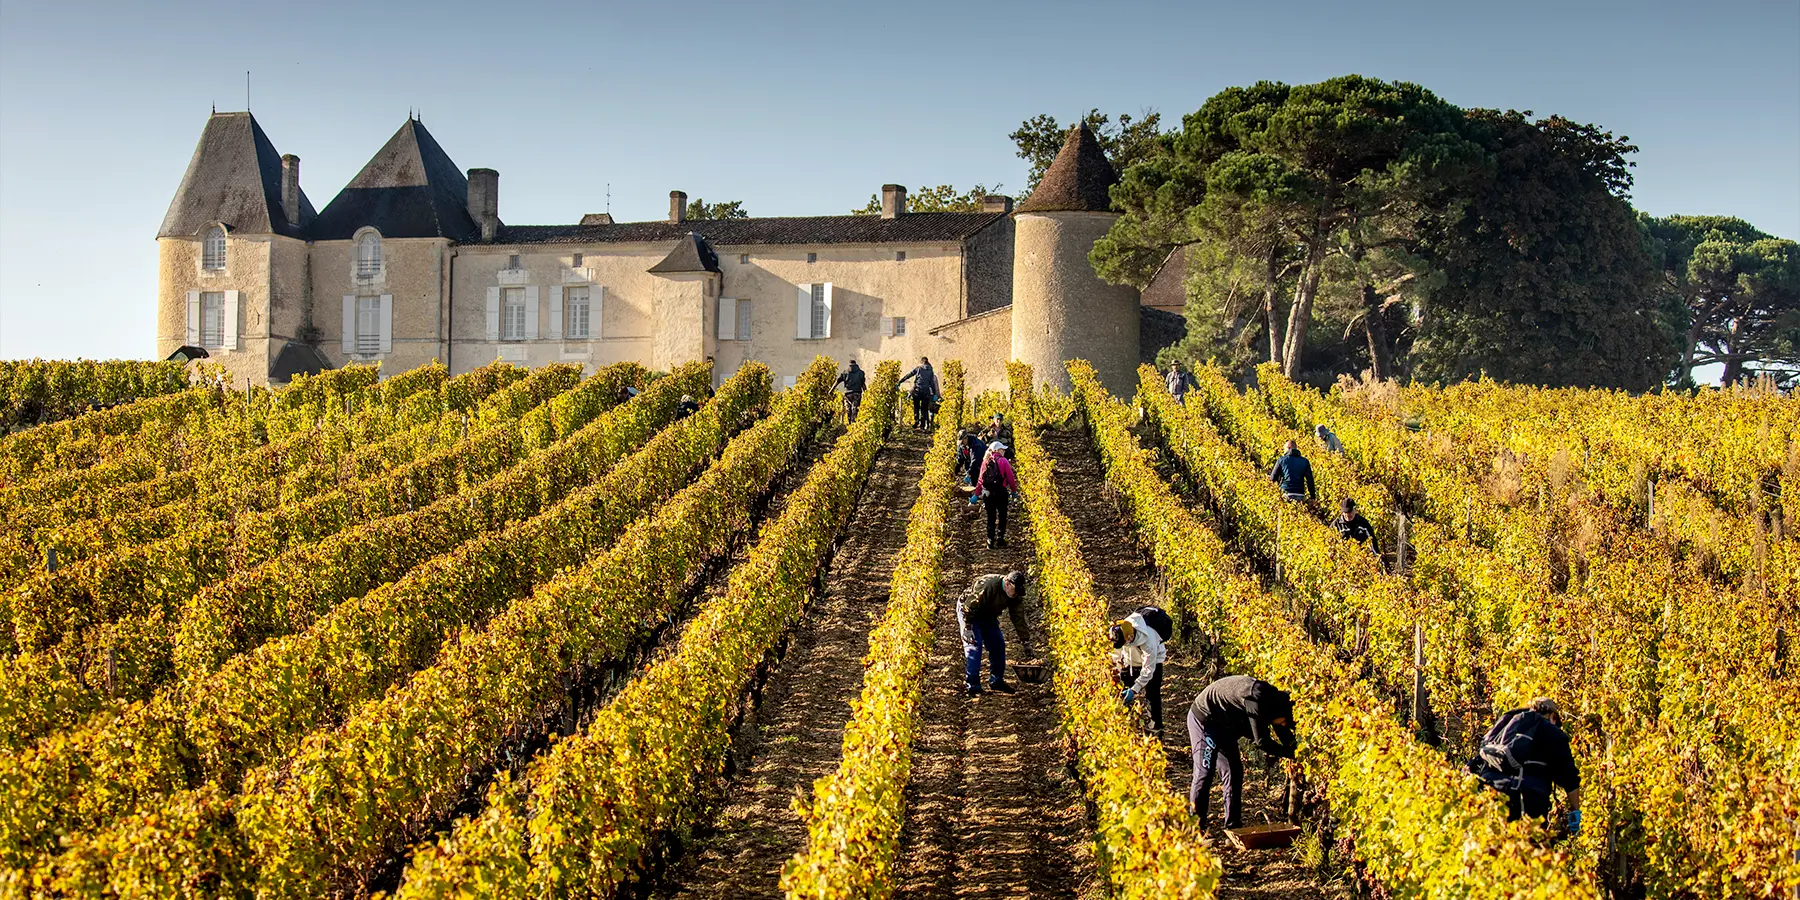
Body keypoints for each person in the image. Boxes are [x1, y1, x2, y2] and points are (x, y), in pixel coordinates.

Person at [1188, 675, 1296, 829]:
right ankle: (1195, 830)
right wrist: (1292, 754)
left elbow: (1285, 735)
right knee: (1204, 772)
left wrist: (1298, 751)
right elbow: (1262, 742)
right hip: (1205, 720)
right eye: (1285, 721)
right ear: (1280, 714)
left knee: (1234, 772)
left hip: (1226, 724)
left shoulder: (1276, 702)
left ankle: (1234, 828)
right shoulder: (1256, 701)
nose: (1284, 724)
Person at [1467, 698, 1583, 833]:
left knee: (1493, 847)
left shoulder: (1504, 727)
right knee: (1529, 848)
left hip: (1491, 791)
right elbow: (1569, 778)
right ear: (1553, 716)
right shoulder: (1551, 731)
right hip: (1529, 797)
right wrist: (1575, 810)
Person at [957, 570, 1032, 696]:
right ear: (1007, 583)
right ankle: (973, 686)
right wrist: (968, 628)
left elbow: (1018, 618)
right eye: (1014, 590)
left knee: (998, 644)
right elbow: (968, 607)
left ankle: (996, 681)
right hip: (970, 613)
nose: (1015, 595)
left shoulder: (1015, 595)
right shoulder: (988, 585)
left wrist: (1025, 641)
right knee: (974, 646)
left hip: (988, 614)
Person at [1111, 606, 1171, 733]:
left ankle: (1155, 730)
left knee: (1152, 695)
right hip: (1131, 662)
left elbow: (1148, 669)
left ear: (1130, 638)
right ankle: (1125, 724)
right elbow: (1117, 652)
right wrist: (1116, 667)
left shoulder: (1149, 640)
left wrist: (1135, 689)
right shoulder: (1122, 630)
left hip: (1154, 662)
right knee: (1123, 688)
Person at [975, 442, 1019, 548]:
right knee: (1002, 516)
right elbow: (1010, 478)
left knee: (991, 517)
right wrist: (1013, 491)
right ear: (998, 450)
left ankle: (990, 540)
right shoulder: (1003, 461)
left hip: (988, 493)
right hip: (1001, 492)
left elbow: (980, 479)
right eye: (1002, 450)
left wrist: (977, 494)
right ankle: (1000, 539)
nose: (1004, 451)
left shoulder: (985, 461)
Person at [897, 356, 939, 431]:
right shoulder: (930, 370)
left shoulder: (918, 368)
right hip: (926, 392)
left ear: (921, 362)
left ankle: (916, 422)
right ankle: (922, 426)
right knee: (924, 409)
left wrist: (900, 381)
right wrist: (935, 393)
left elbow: (909, 375)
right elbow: (932, 383)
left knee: (916, 407)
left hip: (917, 390)